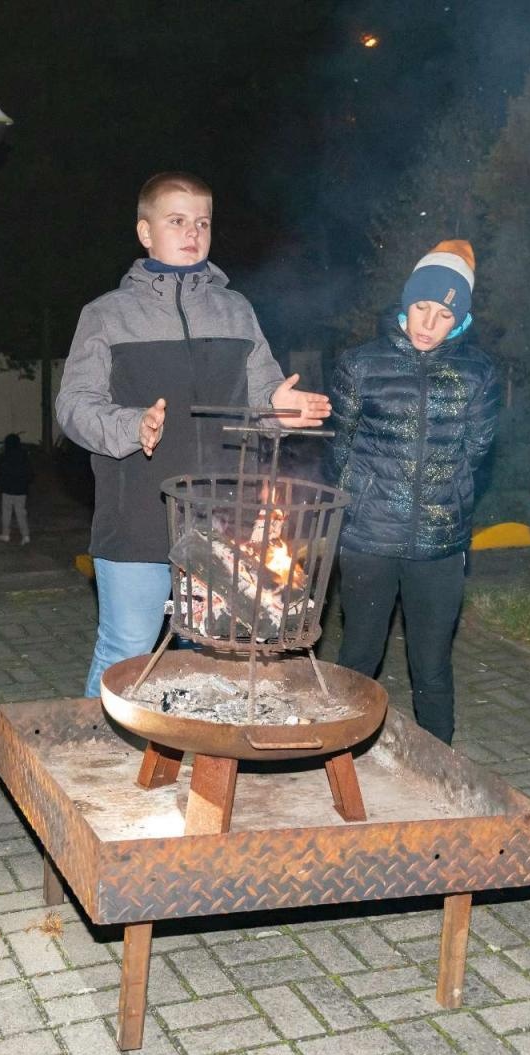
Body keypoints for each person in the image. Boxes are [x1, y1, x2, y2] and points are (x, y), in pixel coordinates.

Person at [56, 171, 331, 698]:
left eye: (202, 222)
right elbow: (72, 405)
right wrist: (130, 424)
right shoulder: (107, 316)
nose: (192, 233)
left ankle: (190, 767)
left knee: (210, 657)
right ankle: (94, 768)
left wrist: (280, 407)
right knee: (126, 653)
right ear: (145, 232)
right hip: (135, 517)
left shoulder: (236, 310)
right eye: (177, 221)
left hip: (225, 521)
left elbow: (262, 391)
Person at [324, 240, 498, 746]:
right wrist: (358, 508)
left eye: (444, 314)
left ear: (459, 322)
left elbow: (477, 451)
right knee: (358, 656)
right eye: (421, 307)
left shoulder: (478, 373)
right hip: (369, 540)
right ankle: (335, 758)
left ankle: (440, 765)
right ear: (405, 303)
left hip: (439, 546)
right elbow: (339, 449)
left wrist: (447, 505)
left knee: (432, 665)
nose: (428, 322)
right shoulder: (359, 364)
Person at [0, 433, 33, 544]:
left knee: (6, 512)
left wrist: (0, 483)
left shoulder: (4, 456)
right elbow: (29, 472)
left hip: (7, 489)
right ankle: (25, 535)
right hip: (21, 489)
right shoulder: (24, 455)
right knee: (21, 512)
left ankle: (6, 534)